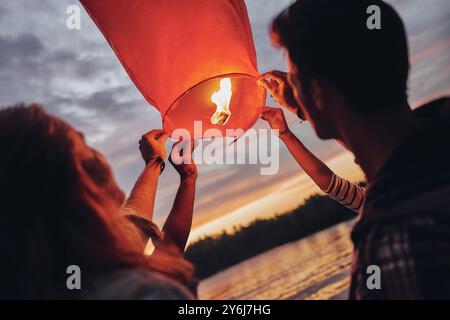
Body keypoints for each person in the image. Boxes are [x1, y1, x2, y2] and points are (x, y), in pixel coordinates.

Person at [259, 0, 450, 299]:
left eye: (296, 82)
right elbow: (335, 181)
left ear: (319, 93)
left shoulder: (398, 247)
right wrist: (301, 110)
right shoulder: (432, 154)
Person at [0, 104, 197, 299]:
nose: (101, 158)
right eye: (86, 148)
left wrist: (178, 173)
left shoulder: (72, 274)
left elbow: (154, 237)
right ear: (84, 184)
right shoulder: (147, 292)